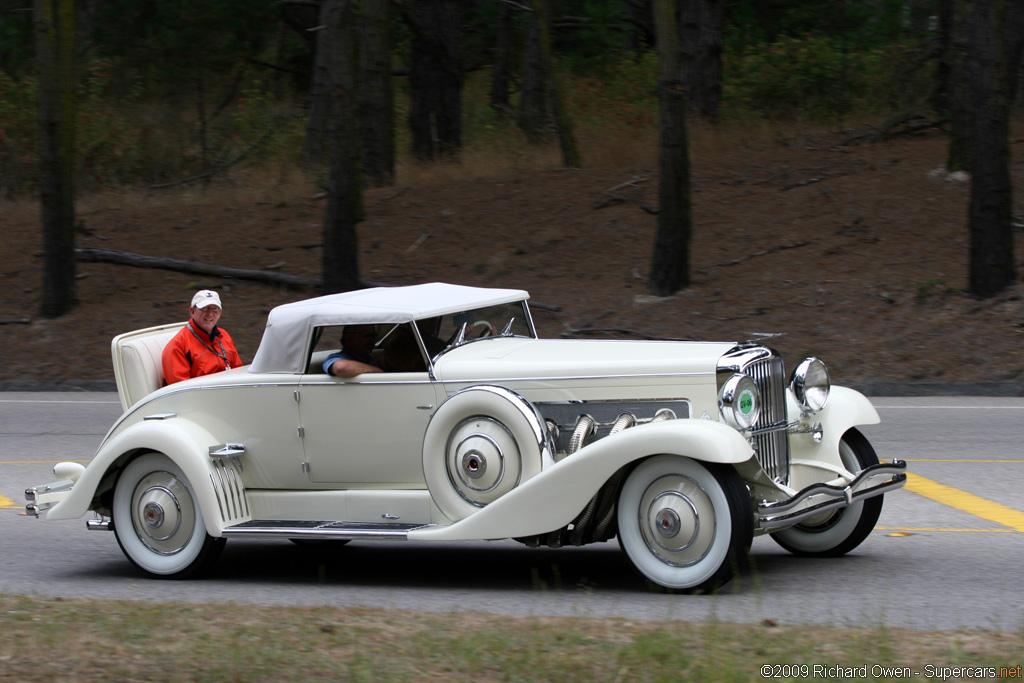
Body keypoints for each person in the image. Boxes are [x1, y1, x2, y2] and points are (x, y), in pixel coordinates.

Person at [162, 289, 244, 385]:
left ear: (220, 312)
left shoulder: (224, 336)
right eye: (204, 308)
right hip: (199, 397)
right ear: (192, 311)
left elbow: (239, 373)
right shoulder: (178, 345)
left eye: (214, 309)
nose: (209, 314)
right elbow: (179, 389)